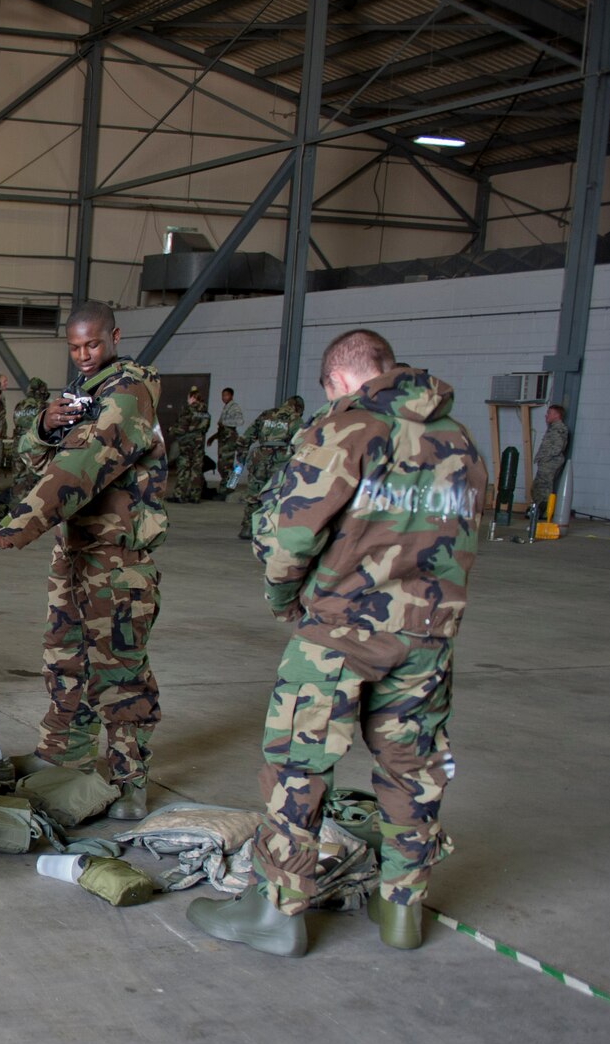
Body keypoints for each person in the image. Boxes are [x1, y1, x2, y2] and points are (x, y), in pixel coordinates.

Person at [188, 330, 486, 957]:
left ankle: (276, 912)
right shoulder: (457, 437)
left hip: (341, 633)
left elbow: (291, 536)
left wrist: (283, 600)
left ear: (338, 380)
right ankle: (402, 909)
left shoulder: (347, 429)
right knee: (414, 767)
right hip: (428, 634)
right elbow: (465, 531)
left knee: (299, 767)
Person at [0, 301, 165, 822]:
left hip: (118, 556)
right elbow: (33, 454)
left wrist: (23, 521)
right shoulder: (82, 395)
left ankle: (129, 779)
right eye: (75, 347)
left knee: (120, 669)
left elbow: (87, 463)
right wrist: (43, 425)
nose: (84, 355)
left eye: (93, 344)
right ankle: (62, 752)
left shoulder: (129, 392)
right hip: (76, 547)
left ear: (114, 336)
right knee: (65, 657)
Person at [239, 395, 304, 540]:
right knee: (277, 494)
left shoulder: (266, 414)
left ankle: (248, 528)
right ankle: (269, 528)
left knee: (254, 491)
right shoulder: (295, 418)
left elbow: (247, 436)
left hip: (259, 457)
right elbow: (301, 442)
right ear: (298, 408)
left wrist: (242, 455)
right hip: (280, 460)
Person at [10, 374, 50, 501]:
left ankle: (16, 506)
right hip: (34, 445)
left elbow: (15, 421)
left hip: (18, 442)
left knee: (18, 476)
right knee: (34, 476)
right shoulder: (43, 405)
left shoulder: (19, 405)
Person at [167, 385, 209, 503]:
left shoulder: (188, 410)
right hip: (199, 444)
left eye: (188, 397)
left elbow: (181, 428)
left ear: (192, 397)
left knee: (184, 468)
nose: (187, 400)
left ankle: (180, 495)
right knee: (196, 470)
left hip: (187, 444)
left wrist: (171, 430)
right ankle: (194, 496)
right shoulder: (205, 412)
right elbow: (205, 429)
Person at [533, 402, 570, 510]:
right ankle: (540, 509)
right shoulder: (553, 428)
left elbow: (558, 448)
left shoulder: (559, 429)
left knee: (544, 488)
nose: (546, 415)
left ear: (557, 415)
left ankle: (545, 511)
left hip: (550, 463)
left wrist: (545, 458)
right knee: (538, 487)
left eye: (549, 413)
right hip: (547, 462)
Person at [212, 386, 245, 481]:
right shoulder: (226, 407)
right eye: (222, 395)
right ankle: (227, 487)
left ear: (231, 396)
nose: (224, 397)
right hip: (224, 438)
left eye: (226, 395)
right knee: (222, 465)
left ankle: (229, 487)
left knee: (226, 465)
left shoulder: (234, 407)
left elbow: (240, 421)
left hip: (229, 439)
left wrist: (225, 423)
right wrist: (213, 437)